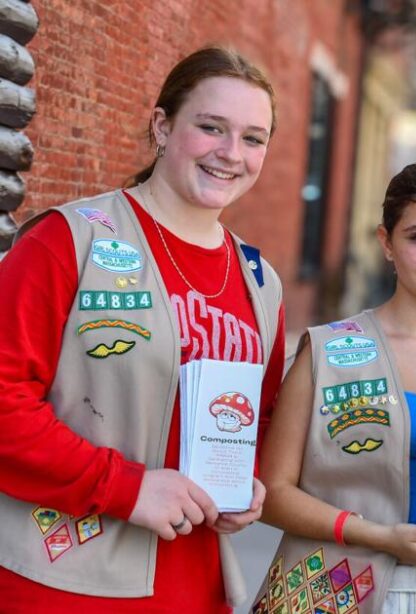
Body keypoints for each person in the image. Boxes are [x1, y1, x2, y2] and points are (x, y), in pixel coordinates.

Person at [0, 46, 285, 612]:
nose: (231, 153)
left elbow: (261, 416)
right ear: (162, 125)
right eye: (210, 128)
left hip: (196, 583)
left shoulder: (261, 282)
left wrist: (245, 482)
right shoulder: (69, 242)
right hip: (63, 579)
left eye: (253, 138)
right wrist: (126, 488)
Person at [255, 161, 416, 614]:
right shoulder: (329, 352)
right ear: (386, 242)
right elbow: (271, 493)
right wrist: (378, 535)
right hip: (334, 588)